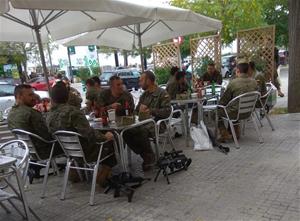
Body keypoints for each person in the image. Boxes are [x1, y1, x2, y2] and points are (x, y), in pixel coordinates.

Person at [46, 82, 116, 185]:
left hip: (68, 153)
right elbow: (89, 133)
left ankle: (74, 173)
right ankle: (102, 175)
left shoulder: (49, 116)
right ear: (67, 96)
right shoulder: (73, 112)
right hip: (86, 153)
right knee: (111, 140)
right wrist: (105, 137)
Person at [123, 71, 172, 171]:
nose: (139, 83)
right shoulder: (144, 95)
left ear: (149, 81)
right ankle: (146, 155)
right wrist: (137, 111)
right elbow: (136, 111)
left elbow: (167, 112)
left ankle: (148, 156)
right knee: (126, 132)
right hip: (143, 123)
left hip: (158, 124)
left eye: (141, 80)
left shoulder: (162, 93)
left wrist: (151, 111)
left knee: (141, 131)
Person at [7, 84, 63, 160]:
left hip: (27, 151)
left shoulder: (11, 113)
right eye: (30, 95)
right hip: (44, 151)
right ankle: (75, 170)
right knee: (72, 145)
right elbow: (47, 135)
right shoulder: (31, 113)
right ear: (19, 96)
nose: (34, 97)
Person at [218, 59, 258, 142]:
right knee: (233, 106)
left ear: (238, 70)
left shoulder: (233, 83)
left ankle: (224, 134)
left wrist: (219, 104)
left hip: (235, 113)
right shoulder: (254, 82)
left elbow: (224, 101)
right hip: (249, 112)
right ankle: (235, 133)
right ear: (248, 70)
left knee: (218, 109)